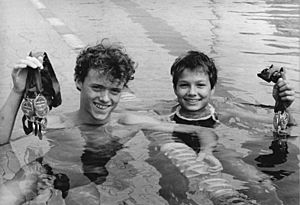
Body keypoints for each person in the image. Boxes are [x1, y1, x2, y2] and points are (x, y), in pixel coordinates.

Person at [0, 39, 215, 204]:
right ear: (78, 82)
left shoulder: (127, 122)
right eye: (97, 88)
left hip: (87, 182)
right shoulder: (57, 123)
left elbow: (202, 131)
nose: (105, 98)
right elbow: (2, 140)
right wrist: (18, 90)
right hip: (45, 172)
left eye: (114, 90)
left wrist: (206, 152)